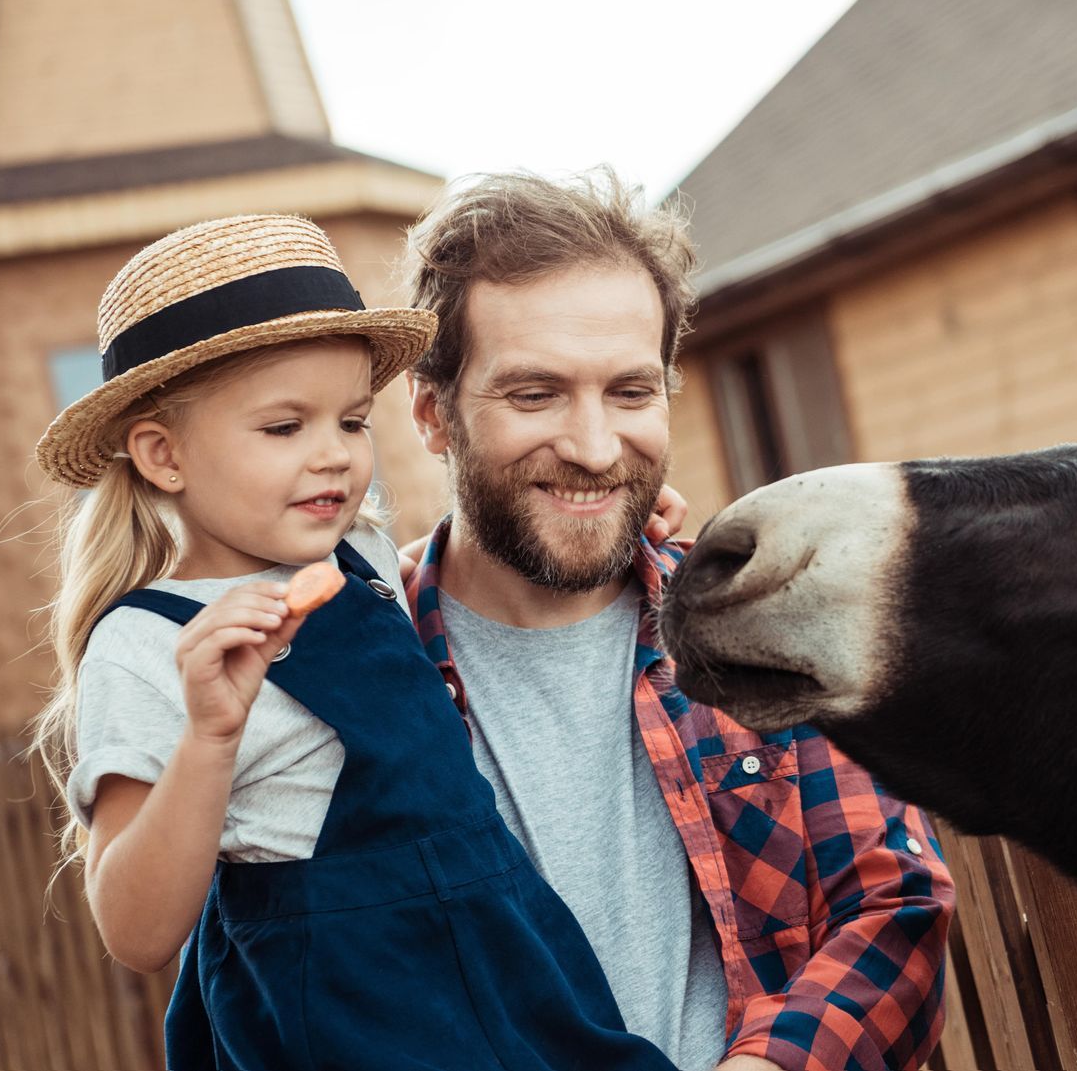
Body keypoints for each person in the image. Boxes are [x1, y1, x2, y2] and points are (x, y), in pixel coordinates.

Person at [30, 213, 682, 1070]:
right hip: (352, 1002)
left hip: (505, 947)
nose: (333, 456)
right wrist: (210, 738)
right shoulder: (149, 642)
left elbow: (467, 568)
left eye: (350, 421)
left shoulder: (362, 558)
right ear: (162, 454)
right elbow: (136, 928)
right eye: (283, 427)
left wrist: (610, 510)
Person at [398, 169, 955, 1071]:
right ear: (434, 413)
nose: (592, 447)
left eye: (629, 392)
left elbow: (897, 902)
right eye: (534, 394)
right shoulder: (362, 679)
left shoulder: (762, 627)